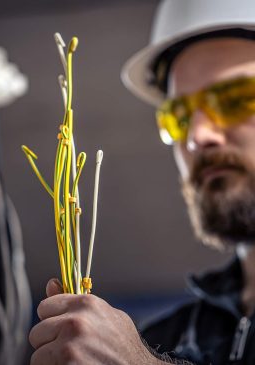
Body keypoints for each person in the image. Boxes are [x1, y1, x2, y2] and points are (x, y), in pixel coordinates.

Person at [29, 0, 255, 364]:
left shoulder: (142, 353)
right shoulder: (168, 339)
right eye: (177, 116)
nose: (197, 136)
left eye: (234, 100)